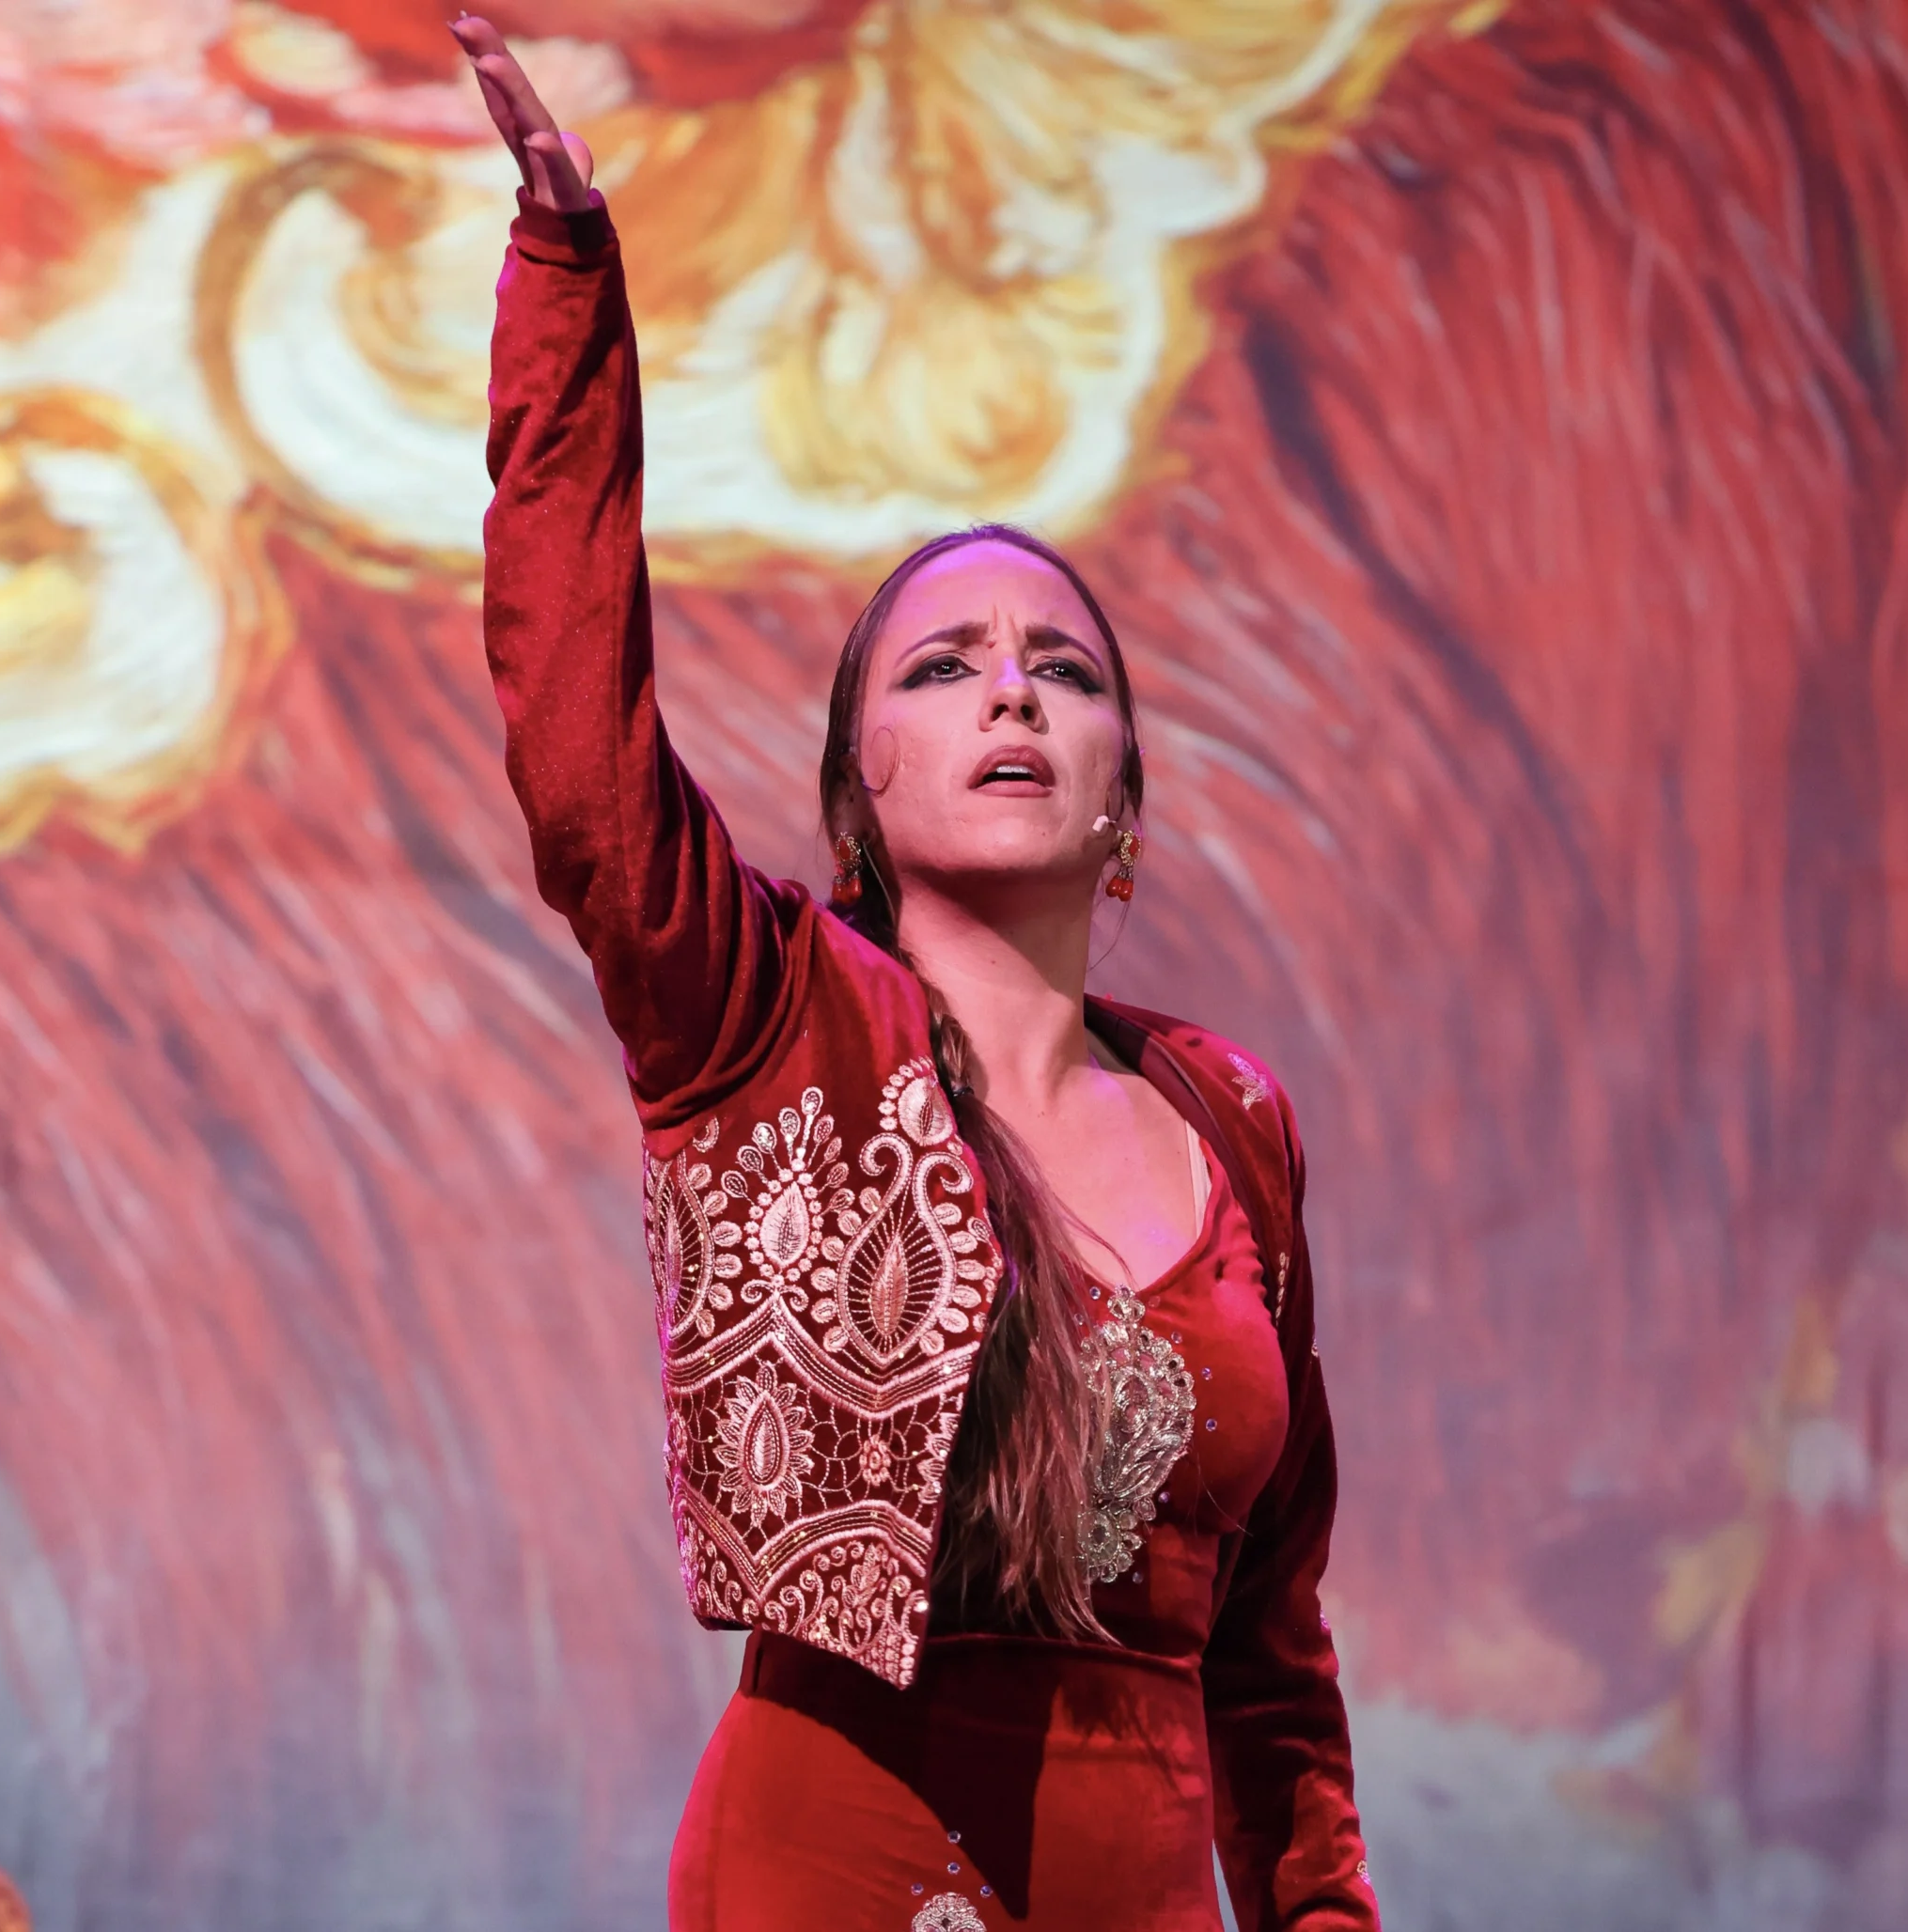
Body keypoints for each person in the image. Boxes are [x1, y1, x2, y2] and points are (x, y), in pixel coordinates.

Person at [450, 18, 1379, 1929]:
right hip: (844, 1870)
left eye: (1064, 666)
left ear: (1122, 782)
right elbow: (576, 745)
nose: (1013, 687)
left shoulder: (1234, 1116)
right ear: (857, 784)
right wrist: (565, 281)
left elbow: (1271, 1656)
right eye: (942, 667)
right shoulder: (774, 1015)